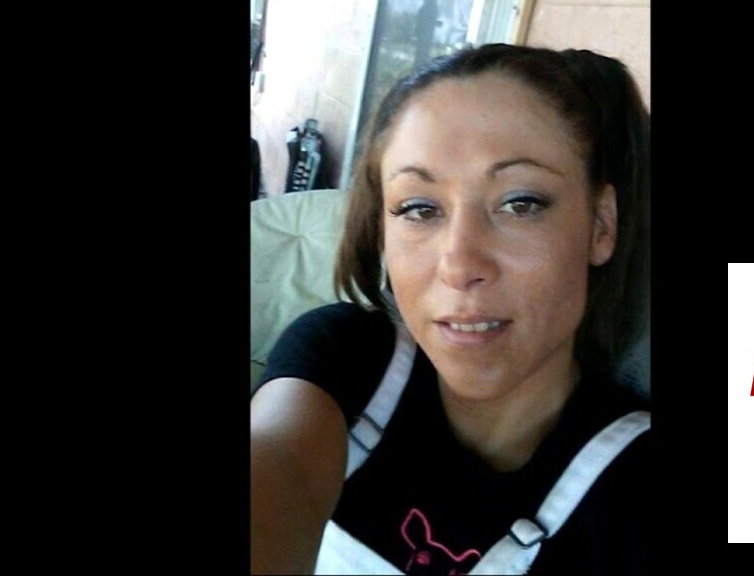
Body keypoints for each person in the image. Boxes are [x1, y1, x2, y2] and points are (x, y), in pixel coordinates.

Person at [250, 43, 651, 575]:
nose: (459, 265)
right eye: (419, 208)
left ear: (601, 224)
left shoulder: (641, 484)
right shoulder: (342, 360)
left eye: (521, 203)